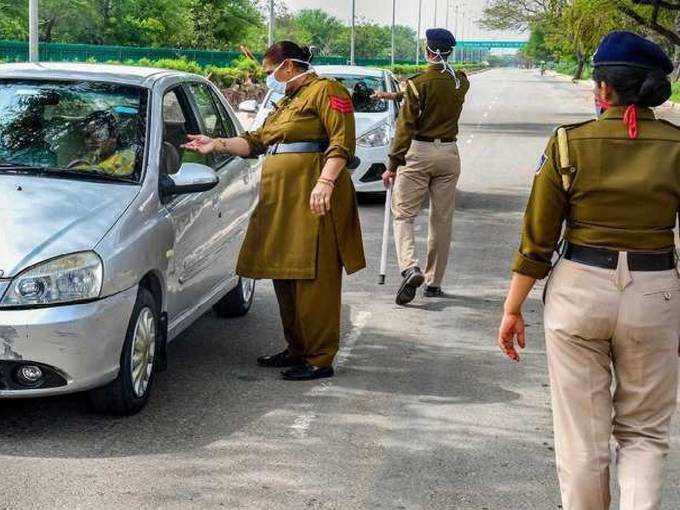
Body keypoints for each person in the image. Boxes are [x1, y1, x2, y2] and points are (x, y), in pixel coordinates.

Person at [498, 31, 680, 510]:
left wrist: (513, 308)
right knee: (644, 433)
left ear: (603, 90)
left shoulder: (568, 144)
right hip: (656, 290)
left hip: (580, 289)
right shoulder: (677, 146)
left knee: (582, 437)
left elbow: (537, 239)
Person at [182, 41, 366, 381]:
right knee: (286, 273)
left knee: (315, 276)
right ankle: (296, 348)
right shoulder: (287, 100)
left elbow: (342, 142)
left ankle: (320, 358)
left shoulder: (327, 91)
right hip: (282, 199)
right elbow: (255, 142)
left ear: (290, 67)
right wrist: (216, 144)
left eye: (271, 72)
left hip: (313, 194)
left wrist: (325, 182)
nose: (269, 78)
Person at [381, 28, 470, 305]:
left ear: (428, 51)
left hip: (418, 153)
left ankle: (410, 267)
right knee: (441, 220)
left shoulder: (417, 83)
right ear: (449, 52)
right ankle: (434, 283)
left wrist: (393, 164)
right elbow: (438, 94)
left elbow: (405, 126)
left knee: (404, 214)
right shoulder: (460, 82)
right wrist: (396, 96)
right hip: (449, 153)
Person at [68, 111, 135, 176]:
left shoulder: (126, 157)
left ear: (113, 136)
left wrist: (78, 169)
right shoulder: (91, 157)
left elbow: (109, 171)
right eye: (87, 136)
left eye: (98, 135)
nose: (90, 141)